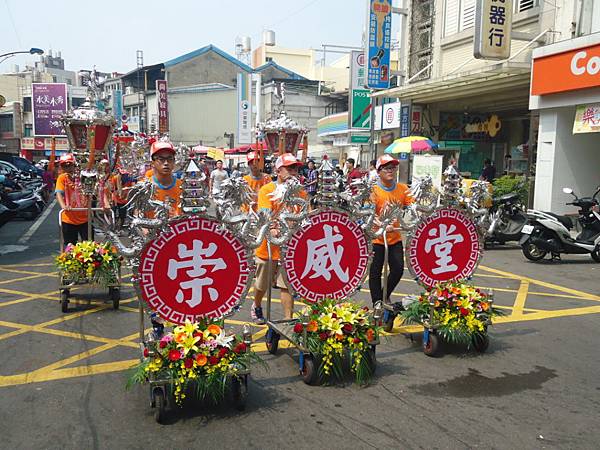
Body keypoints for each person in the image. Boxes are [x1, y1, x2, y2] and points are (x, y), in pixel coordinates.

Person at [252, 153, 306, 324]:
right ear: (278, 170)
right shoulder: (267, 190)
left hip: (290, 246)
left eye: (295, 168)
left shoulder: (301, 192)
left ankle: (288, 319)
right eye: (289, 168)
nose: (293, 172)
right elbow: (265, 215)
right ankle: (256, 304)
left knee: (287, 284)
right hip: (268, 245)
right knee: (262, 284)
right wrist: (273, 229)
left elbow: (304, 215)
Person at [369, 154, 414, 307]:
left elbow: (411, 206)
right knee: (375, 272)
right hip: (377, 238)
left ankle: (384, 295)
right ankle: (377, 303)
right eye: (387, 168)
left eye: (393, 168)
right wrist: (381, 224)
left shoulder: (403, 189)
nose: (391, 171)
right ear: (379, 171)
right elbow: (370, 214)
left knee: (398, 269)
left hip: (395, 237)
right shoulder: (373, 191)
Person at [55, 154, 103, 246]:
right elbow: (58, 193)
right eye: (64, 165)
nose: (67, 167)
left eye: (69, 164)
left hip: (85, 218)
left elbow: (96, 190)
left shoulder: (83, 176)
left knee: (89, 245)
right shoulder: (62, 178)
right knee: (70, 246)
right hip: (68, 218)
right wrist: (64, 206)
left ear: (74, 165)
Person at [149, 141, 182, 217]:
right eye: (161, 159)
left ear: (174, 162)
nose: (166, 163)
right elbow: (138, 220)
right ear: (152, 163)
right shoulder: (144, 188)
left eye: (170, 159)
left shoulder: (182, 187)